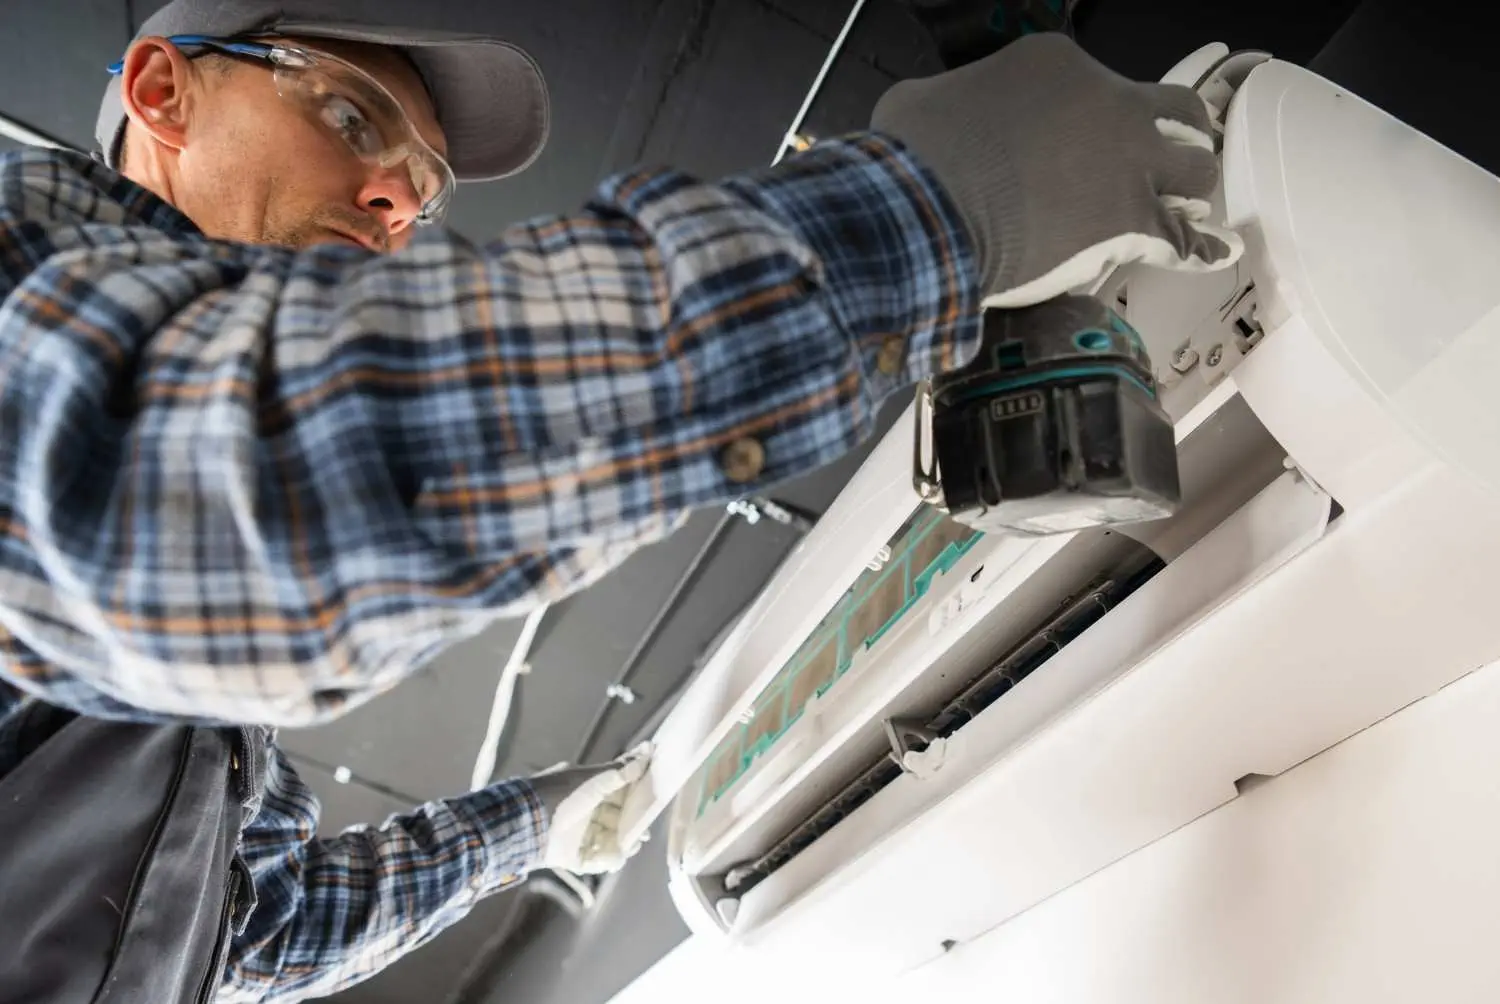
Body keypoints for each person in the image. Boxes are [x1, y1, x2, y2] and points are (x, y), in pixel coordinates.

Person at [0, 1, 1239, 1001]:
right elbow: (221, 510)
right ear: (164, 90)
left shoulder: (172, 695)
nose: (395, 205)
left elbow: (255, 931)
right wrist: (940, 213)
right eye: (347, 112)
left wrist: (526, 829)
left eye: (426, 193)